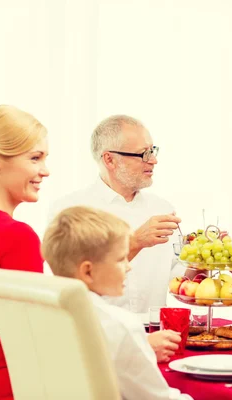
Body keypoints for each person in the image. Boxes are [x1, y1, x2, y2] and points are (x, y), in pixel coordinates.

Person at [49, 115, 181, 360]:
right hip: (100, 345)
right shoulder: (70, 211)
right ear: (109, 159)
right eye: (143, 153)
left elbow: (177, 277)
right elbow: (66, 287)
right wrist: (135, 241)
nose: (153, 160)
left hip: (159, 340)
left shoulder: (162, 207)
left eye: (152, 150)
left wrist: (200, 266)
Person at [42, 206, 191, 400]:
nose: (128, 267)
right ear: (87, 271)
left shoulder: (44, 313)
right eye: (121, 259)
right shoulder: (120, 324)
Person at [0, 105, 49, 399]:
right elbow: (37, 337)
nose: (45, 170)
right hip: (7, 386)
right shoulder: (18, 237)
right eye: (35, 158)